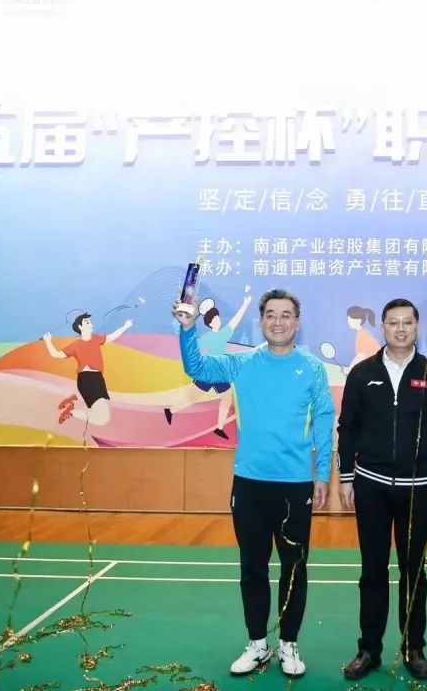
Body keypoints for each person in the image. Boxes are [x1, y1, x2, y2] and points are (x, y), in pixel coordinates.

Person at [174, 289, 334, 678]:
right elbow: (197, 367)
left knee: (294, 568)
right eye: (271, 315)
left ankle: (289, 644)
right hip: (249, 484)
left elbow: (324, 421)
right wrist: (188, 328)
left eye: (286, 315)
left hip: (295, 486)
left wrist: (323, 474)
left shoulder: (312, 368)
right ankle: (258, 643)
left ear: (297, 322)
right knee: (253, 568)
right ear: (261, 322)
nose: (278, 321)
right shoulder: (242, 362)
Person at [337, 298, 427, 682]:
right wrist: (346, 477)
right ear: (383, 327)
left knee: (414, 572)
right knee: (372, 571)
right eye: (393, 322)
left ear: (416, 327)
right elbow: (347, 428)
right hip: (370, 487)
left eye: (408, 322)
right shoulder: (362, 374)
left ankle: (414, 648)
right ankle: (368, 650)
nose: (401, 329)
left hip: (418, 489)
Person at [164, 284, 253, 437]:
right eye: (216, 319)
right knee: (193, 396)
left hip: (221, 373)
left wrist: (245, 305)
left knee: (226, 398)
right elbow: (192, 351)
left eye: (218, 318)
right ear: (210, 322)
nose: (219, 320)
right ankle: (171, 410)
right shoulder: (209, 337)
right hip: (208, 372)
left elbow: (235, 321)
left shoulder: (221, 334)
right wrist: (186, 327)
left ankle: (219, 428)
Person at [43, 313, 132, 426]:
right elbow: (56, 354)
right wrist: (48, 342)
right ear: (80, 326)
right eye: (87, 322)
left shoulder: (96, 339)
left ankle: (71, 404)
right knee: (102, 418)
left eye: (90, 322)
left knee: (100, 416)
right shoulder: (76, 345)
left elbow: (112, 336)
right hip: (87, 379)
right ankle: (71, 410)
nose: (91, 324)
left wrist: (125, 326)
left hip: (98, 379)